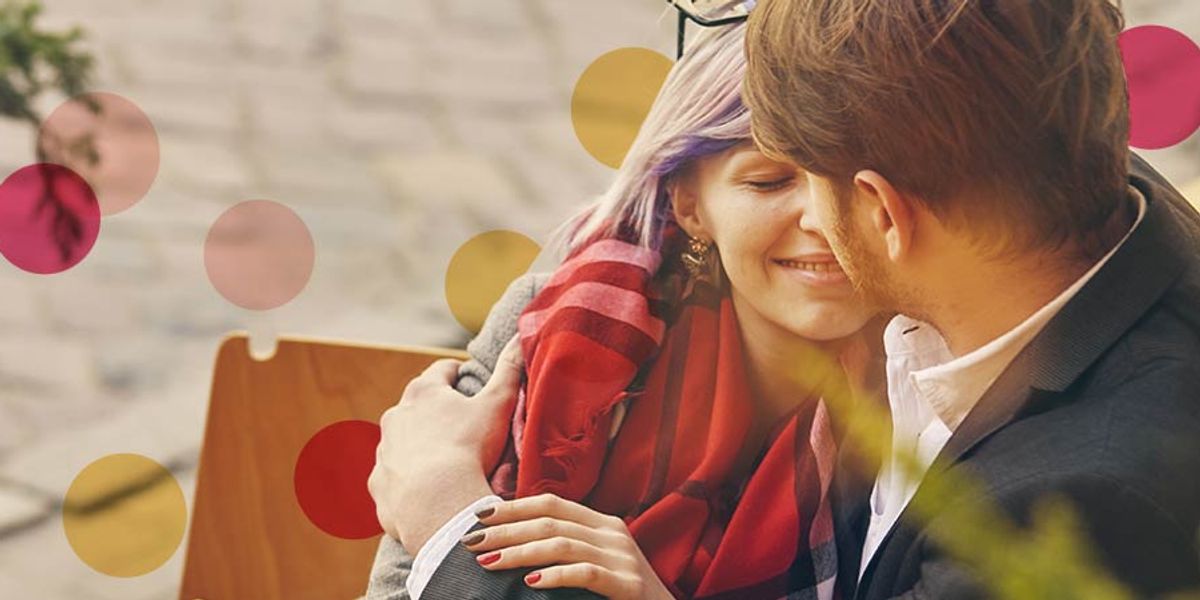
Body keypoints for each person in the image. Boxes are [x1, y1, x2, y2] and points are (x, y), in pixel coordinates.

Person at [374, 0, 1200, 598]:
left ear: (881, 214)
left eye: (815, 177)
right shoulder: (1043, 188)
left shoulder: (1079, 498)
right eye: (769, 178)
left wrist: (447, 514)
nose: (809, 221)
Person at [366, 20, 883, 600]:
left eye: (859, 181)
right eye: (768, 181)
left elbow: (435, 530)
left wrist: (448, 509)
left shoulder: (927, 401)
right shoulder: (556, 325)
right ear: (689, 204)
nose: (824, 220)